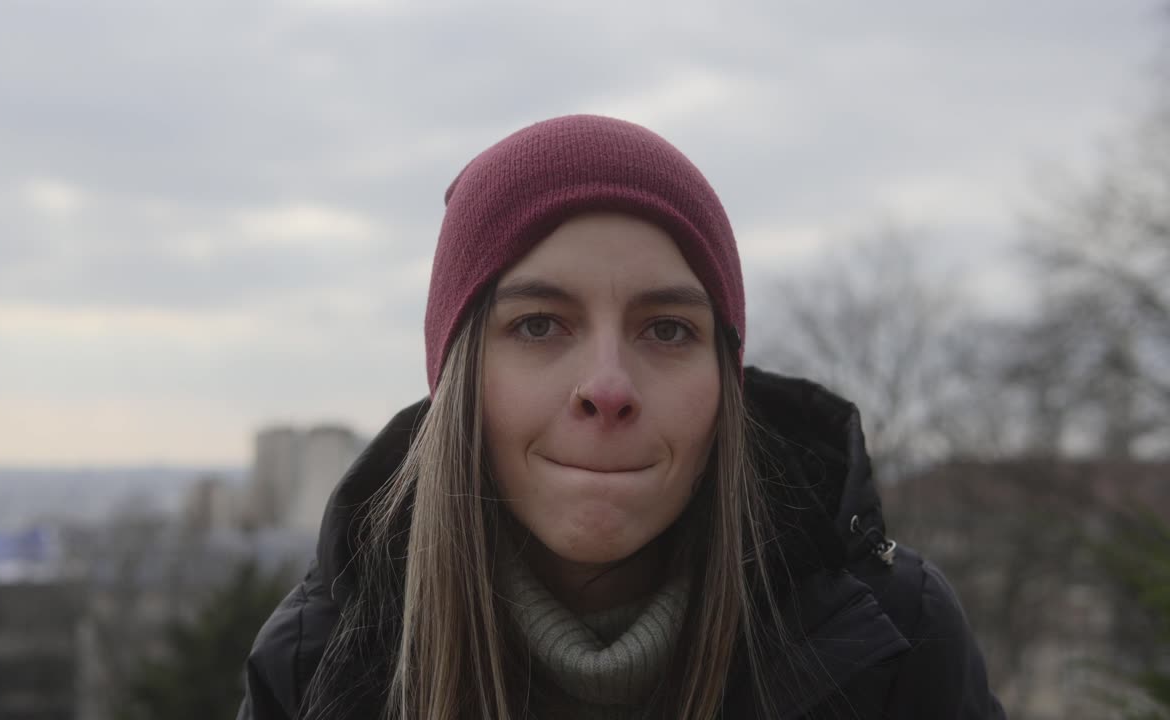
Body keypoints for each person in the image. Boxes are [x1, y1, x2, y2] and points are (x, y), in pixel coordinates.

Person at [238, 115, 1005, 719]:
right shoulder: (319, 665)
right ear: (459, 380)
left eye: (667, 329)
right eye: (539, 325)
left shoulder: (900, 638)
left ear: (723, 382)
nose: (607, 387)